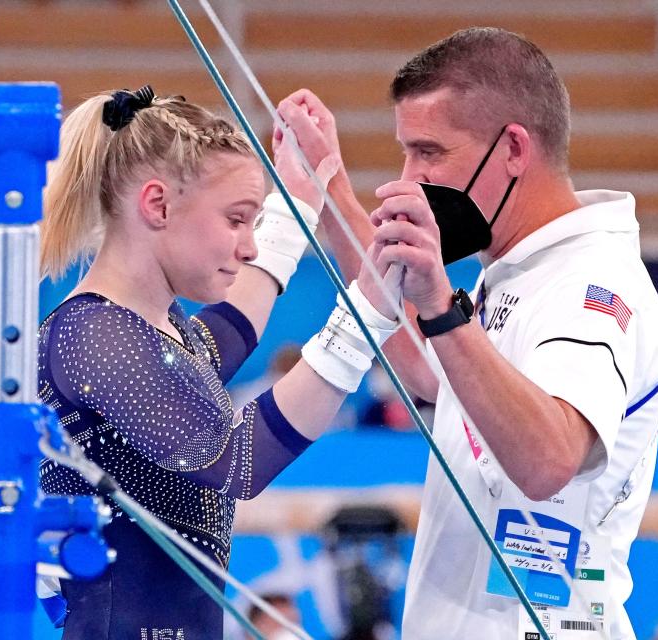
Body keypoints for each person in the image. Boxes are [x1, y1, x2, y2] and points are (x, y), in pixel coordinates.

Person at [277, 27, 658, 639]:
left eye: (430, 152)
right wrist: (328, 186)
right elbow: (430, 372)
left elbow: (547, 461)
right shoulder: (516, 269)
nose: (408, 178)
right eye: (406, 152)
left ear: (514, 149)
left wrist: (441, 307)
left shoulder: (592, 285)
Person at [36, 85, 400, 639]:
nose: (250, 246)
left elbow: (223, 337)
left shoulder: (154, 330)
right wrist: (362, 317)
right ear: (157, 205)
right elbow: (236, 462)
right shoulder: (95, 335)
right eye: (236, 219)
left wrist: (298, 200)